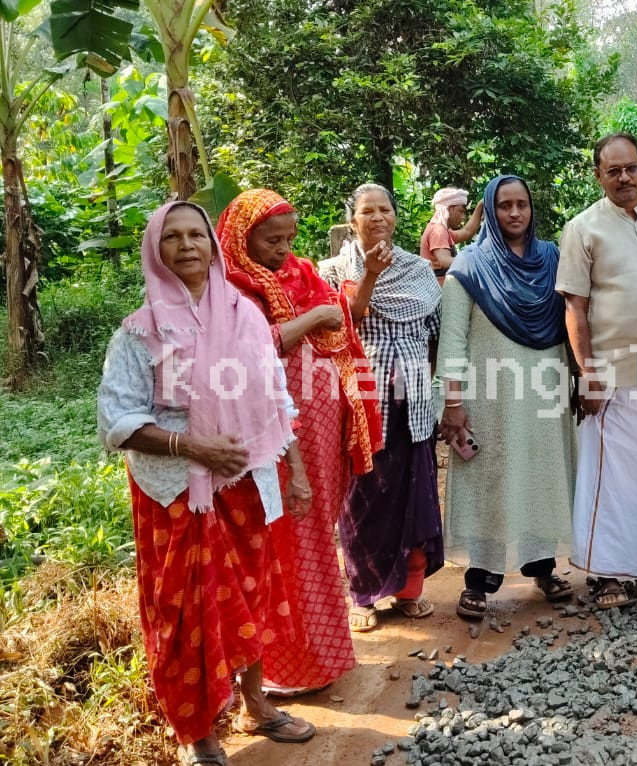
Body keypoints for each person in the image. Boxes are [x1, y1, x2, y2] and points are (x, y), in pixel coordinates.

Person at [98, 202, 315, 764]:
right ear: (156, 250)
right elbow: (117, 421)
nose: (187, 245)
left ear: (214, 246)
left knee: (251, 594)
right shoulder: (139, 332)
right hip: (176, 493)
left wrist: (296, 472)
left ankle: (256, 704)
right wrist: (192, 446)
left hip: (245, 482)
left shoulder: (246, 315)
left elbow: (275, 396)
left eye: (197, 234)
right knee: (187, 610)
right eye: (173, 237)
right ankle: (200, 733)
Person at [216, 189, 383, 696]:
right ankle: (288, 667)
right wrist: (312, 320)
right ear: (242, 238)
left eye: (289, 238)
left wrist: (357, 287)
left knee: (315, 534)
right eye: (272, 240)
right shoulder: (231, 287)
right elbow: (250, 349)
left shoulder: (301, 273)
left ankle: (320, 656)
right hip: (276, 436)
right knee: (287, 539)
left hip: (320, 432)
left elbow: (346, 316)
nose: (283, 249)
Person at [556, 133, 637, 608]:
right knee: (609, 478)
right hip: (611, 373)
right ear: (599, 175)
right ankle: (606, 572)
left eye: (631, 168)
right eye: (613, 171)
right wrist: (587, 374)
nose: (624, 178)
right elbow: (574, 308)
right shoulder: (582, 229)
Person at [439, 174, 576, 619]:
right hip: (490, 397)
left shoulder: (552, 259)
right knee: (490, 480)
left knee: (540, 474)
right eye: (504, 206)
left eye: (522, 204)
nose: (515, 213)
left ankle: (542, 567)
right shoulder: (469, 267)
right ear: (490, 211)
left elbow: (572, 322)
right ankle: (479, 579)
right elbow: (452, 340)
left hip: (543, 391)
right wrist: (453, 402)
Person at [318, 183, 444, 632]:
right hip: (360, 403)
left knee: (414, 496)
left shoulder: (418, 270)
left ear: (395, 216)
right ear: (352, 220)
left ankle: (409, 591)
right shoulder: (333, 271)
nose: (377, 218)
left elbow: (434, 334)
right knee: (364, 502)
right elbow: (341, 325)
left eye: (384, 210)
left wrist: (422, 382)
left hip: (414, 405)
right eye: (367, 211)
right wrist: (369, 275)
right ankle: (364, 594)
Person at [420, 186, 483, 280]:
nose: (462, 217)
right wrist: (476, 262)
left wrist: (480, 206)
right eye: (461, 212)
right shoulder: (438, 230)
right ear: (450, 208)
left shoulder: (443, 231)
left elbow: (467, 232)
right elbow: (445, 261)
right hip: (439, 286)